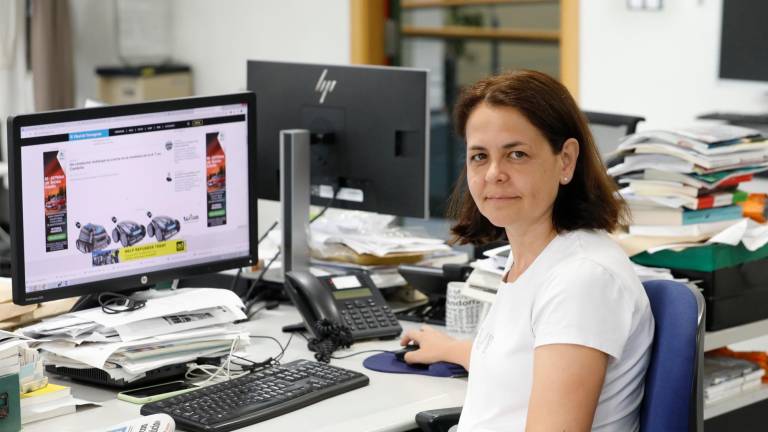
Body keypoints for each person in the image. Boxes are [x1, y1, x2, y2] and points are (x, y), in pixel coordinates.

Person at [400, 70, 654, 431]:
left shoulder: (582, 279)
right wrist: (451, 349)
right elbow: (525, 365)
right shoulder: (533, 259)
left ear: (565, 161)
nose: (493, 174)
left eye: (516, 154)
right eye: (479, 156)